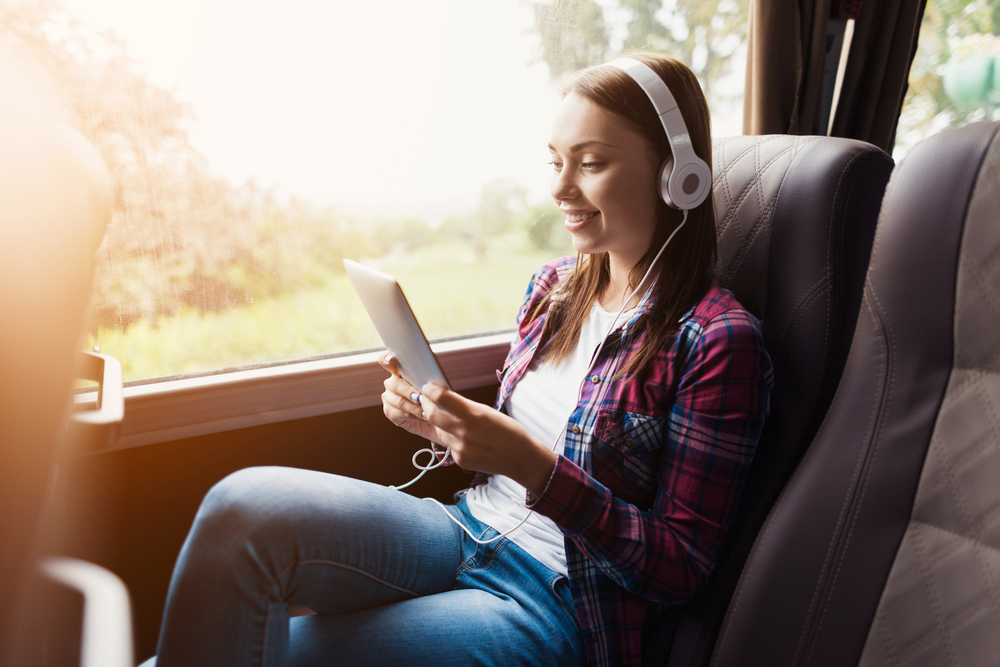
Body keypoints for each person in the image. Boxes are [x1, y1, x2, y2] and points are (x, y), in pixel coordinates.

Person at [141, 51, 772, 667]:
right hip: (465, 529)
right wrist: (441, 424)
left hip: (555, 602)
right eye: (555, 161)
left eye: (592, 163)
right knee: (243, 509)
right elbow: (519, 444)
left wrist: (534, 467)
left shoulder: (716, 339)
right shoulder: (554, 288)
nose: (559, 187)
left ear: (676, 174)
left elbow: (680, 566)